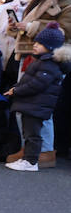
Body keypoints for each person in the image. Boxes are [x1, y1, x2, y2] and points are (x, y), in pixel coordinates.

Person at [5, 24, 66, 172]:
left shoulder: (49, 64)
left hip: (37, 105)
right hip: (32, 104)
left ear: (50, 47)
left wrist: (17, 91)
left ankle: (31, 161)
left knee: (33, 135)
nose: (35, 45)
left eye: (40, 43)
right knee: (29, 133)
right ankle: (28, 158)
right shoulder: (42, 61)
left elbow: (36, 84)